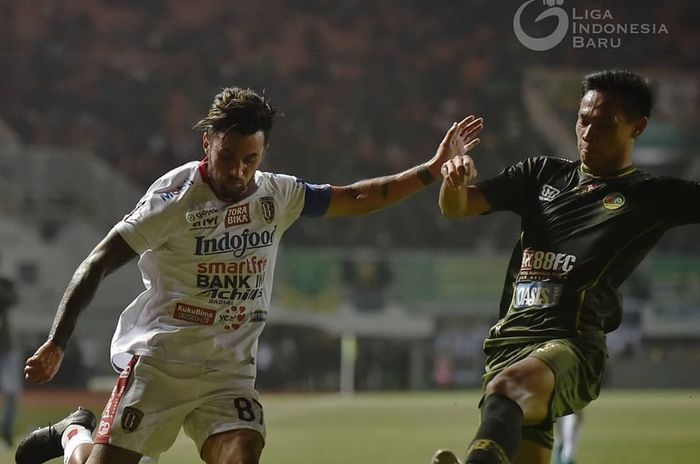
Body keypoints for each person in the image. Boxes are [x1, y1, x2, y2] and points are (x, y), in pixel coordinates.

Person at [15, 86, 483, 464]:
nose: (238, 171)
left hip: (228, 372)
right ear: (208, 143)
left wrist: (429, 170)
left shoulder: (277, 195)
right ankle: (73, 432)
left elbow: (357, 198)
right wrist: (58, 341)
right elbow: (98, 261)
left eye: (250, 159)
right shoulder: (172, 200)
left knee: (243, 453)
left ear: (263, 152)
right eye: (228, 156)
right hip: (161, 362)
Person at [431, 70, 700, 464]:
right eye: (582, 120)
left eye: (604, 124)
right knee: (509, 396)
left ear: (637, 128)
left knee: (507, 390)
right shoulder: (540, 174)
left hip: (571, 345)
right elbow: (455, 208)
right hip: (509, 344)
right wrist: (452, 182)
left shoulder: (650, 196)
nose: (587, 133)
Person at [0, 274, 20, 450]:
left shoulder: (5, 284)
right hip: (6, 348)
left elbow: (13, 298)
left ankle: (6, 432)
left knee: (12, 392)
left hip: (6, 347)